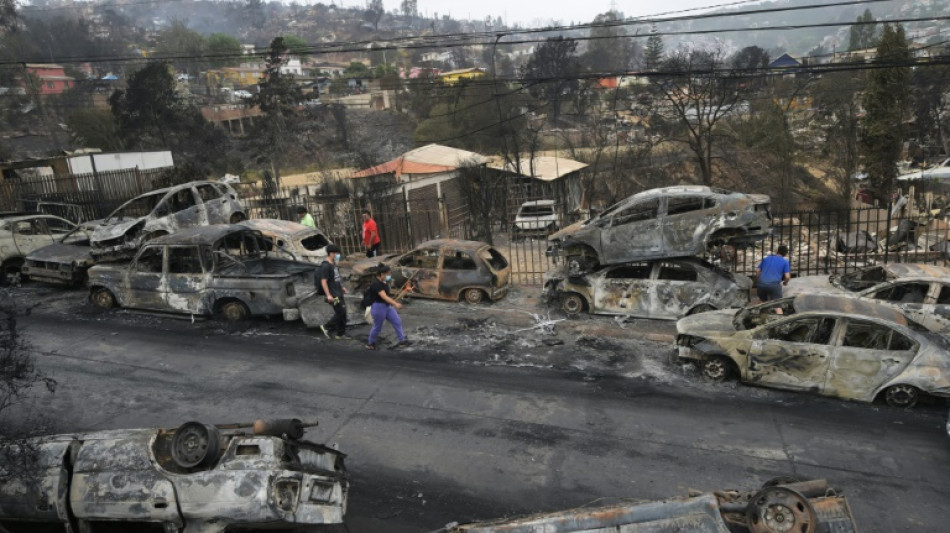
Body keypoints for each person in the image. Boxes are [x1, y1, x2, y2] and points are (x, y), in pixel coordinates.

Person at [366, 264, 409, 350]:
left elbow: (387, 296)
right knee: (377, 327)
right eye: (388, 274)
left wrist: (405, 290)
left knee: (397, 321)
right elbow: (384, 296)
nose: (389, 276)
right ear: (382, 274)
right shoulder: (376, 284)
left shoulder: (384, 282)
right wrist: (395, 304)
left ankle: (402, 340)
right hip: (378, 307)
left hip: (387, 306)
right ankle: (371, 343)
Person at [318, 244, 348, 339]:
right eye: (336, 253)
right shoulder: (325, 266)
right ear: (331, 253)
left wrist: (342, 287)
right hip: (333, 294)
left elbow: (336, 279)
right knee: (341, 312)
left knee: (343, 313)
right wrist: (328, 295)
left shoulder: (333, 264)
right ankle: (326, 327)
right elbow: (323, 281)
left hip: (339, 292)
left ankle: (340, 334)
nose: (337, 255)